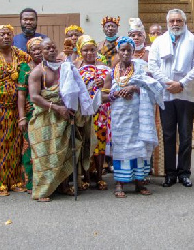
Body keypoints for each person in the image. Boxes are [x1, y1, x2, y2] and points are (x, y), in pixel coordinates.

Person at [27, 37, 95, 202]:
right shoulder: (38, 72)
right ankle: (42, 191)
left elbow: (75, 88)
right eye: (46, 48)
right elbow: (35, 97)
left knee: (65, 152)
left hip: (65, 116)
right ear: (41, 52)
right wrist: (56, 108)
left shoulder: (65, 68)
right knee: (45, 155)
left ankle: (64, 186)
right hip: (45, 118)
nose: (51, 50)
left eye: (53, 47)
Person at [148, 8, 194, 187]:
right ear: (167, 23)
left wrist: (181, 84)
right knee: (168, 135)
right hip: (166, 95)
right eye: (172, 21)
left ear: (184, 22)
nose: (175, 24)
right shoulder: (159, 42)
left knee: (186, 135)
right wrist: (168, 83)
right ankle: (170, 173)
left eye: (179, 21)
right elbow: (153, 66)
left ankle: (184, 173)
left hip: (186, 94)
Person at [107, 37, 165, 198]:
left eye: (129, 50)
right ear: (118, 52)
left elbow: (154, 89)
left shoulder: (140, 69)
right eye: (122, 50)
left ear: (133, 52)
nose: (125, 53)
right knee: (121, 147)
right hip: (119, 117)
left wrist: (134, 88)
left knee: (139, 146)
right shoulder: (112, 71)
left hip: (138, 117)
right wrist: (117, 92)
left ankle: (140, 182)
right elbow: (104, 96)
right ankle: (120, 183)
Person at [0, 24, 31, 196]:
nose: (6, 37)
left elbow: (33, 65)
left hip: (17, 108)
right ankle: (1, 182)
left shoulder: (20, 55)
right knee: (0, 146)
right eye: (2, 34)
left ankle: (16, 180)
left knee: (17, 145)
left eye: (9, 34)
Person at [128, 17, 166, 178]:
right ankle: (135, 167)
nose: (136, 38)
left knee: (151, 130)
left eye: (139, 34)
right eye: (133, 35)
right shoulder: (125, 53)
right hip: (131, 100)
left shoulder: (151, 53)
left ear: (144, 36)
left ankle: (153, 166)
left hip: (149, 99)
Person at [76, 34, 111, 190]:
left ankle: (99, 177)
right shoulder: (75, 68)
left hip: (101, 112)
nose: (89, 53)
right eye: (85, 50)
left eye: (92, 50)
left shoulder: (104, 68)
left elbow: (111, 87)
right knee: (85, 143)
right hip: (83, 111)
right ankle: (86, 177)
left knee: (99, 144)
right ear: (80, 51)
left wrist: (103, 83)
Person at [17, 37, 45, 193]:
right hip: (30, 112)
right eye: (34, 49)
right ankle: (30, 182)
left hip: (46, 111)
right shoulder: (25, 69)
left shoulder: (49, 67)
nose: (38, 52)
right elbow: (21, 95)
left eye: (41, 49)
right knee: (29, 147)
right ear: (29, 52)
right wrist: (21, 117)